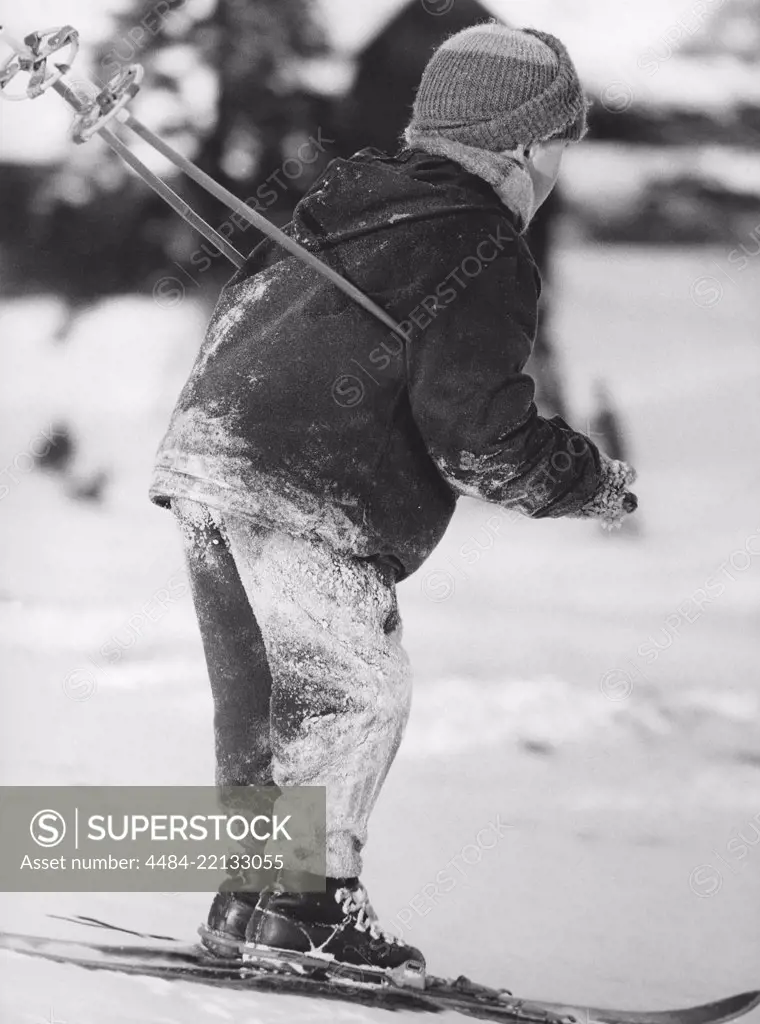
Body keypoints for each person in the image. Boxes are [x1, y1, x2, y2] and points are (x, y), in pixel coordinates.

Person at [150, 22, 638, 988]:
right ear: (523, 146)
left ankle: (253, 899)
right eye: (557, 152)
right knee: (351, 691)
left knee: (265, 697)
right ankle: (304, 910)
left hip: (207, 461)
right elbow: (479, 435)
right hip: (305, 483)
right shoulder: (478, 239)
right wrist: (588, 481)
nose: (553, 180)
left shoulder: (344, 198)